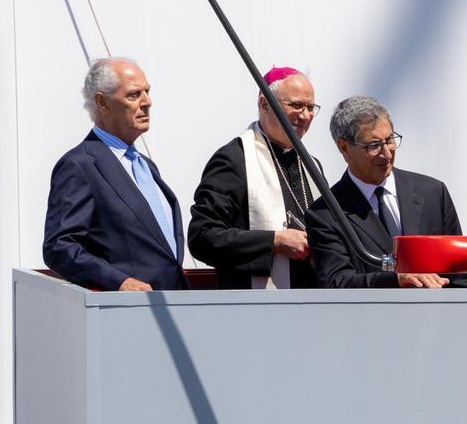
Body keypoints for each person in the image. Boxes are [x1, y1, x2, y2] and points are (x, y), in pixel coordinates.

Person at [43, 57, 186, 291]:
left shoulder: (145, 166)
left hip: (171, 306)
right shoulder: (79, 165)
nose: (147, 102)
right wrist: (119, 281)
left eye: (147, 92)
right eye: (134, 94)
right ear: (102, 102)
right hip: (125, 312)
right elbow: (60, 246)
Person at [305, 96, 467, 288]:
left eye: (390, 140)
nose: (387, 153)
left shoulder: (432, 193)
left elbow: (460, 274)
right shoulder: (325, 214)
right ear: (344, 147)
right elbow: (337, 282)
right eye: (373, 145)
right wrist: (396, 280)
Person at [188, 66, 320, 289]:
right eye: (296, 105)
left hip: (314, 302)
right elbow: (202, 237)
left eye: (310, 107)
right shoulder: (234, 159)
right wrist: (276, 241)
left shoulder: (310, 164)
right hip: (255, 307)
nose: (305, 115)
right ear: (264, 104)